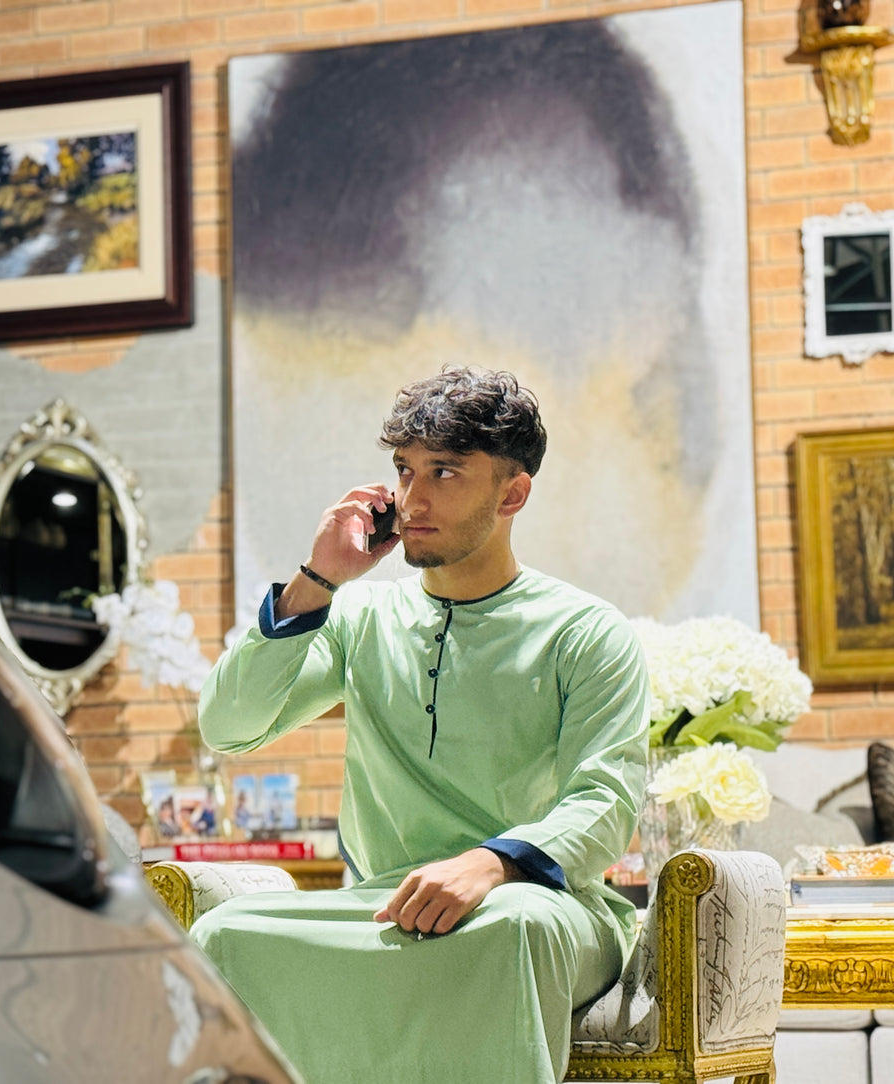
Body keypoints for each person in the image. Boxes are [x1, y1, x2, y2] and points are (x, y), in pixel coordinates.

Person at [192, 367, 649, 1084]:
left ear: (512, 494)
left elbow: (606, 801)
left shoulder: (587, 631)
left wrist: (491, 864)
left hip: (541, 904)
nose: (412, 499)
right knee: (222, 934)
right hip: (383, 902)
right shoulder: (357, 618)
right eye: (405, 470)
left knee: (510, 928)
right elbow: (227, 726)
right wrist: (317, 579)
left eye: (444, 472)